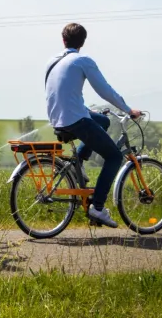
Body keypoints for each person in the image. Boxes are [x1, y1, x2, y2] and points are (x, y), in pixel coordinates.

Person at [44, 23, 142, 228]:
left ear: (63, 40)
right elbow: (104, 90)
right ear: (83, 42)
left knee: (103, 121)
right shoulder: (83, 60)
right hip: (75, 120)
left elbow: (62, 93)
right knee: (114, 157)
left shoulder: (52, 61)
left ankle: (77, 163)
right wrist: (127, 109)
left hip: (57, 118)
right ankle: (97, 207)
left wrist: (88, 111)